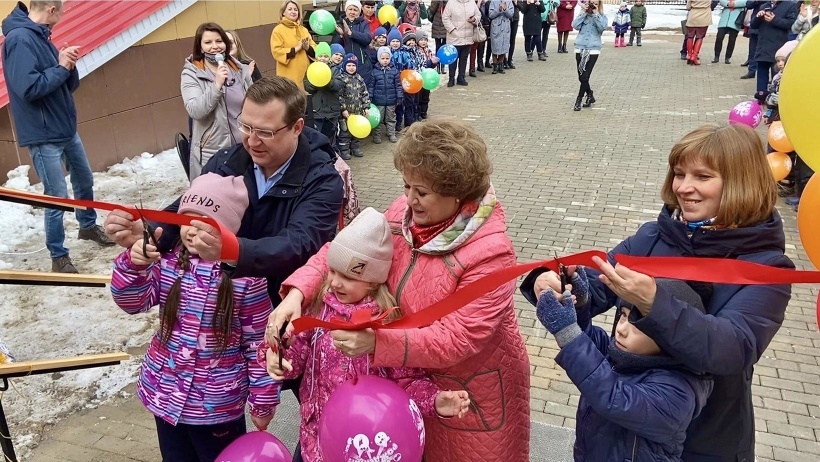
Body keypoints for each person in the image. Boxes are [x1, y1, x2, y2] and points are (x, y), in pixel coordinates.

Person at [522, 123, 794, 461]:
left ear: (741, 180)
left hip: (706, 438)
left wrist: (653, 304)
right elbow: (597, 281)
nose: (684, 187)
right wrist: (554, 282)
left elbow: (732, 347)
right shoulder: (654, 237)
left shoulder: (766, 265)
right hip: (622, 430)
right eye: (679, 174)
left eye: (703, 176)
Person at [268, 119, 531, 462]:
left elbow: (458, 337)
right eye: (406, 186)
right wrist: (298, 293)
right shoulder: (402, 213)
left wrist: (379, 344)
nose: (409, 199)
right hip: (405, 381)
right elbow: (348, 252)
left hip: (466, 392)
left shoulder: (491, 252)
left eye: (421, 192)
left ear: (457, 193)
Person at [104, 76, 344, 318]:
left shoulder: (322, 179)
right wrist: (147, 229)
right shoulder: (227, 160)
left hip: (284, 310)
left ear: (297, 128)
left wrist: (233, 250)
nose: (252, 140)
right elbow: (187, 210)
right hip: (221, 313)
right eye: (246, 127)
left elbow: (300, 245)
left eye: (265, 132)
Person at [260, 208, 471, 462]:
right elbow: (295, 359)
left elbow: (407, 383)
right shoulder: (317, 309)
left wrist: (436, 401)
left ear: (373, 281)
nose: (336, 283)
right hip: (316, 436)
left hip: (366, 446)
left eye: (348, 276)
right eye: (333, 271)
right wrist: (277, 356)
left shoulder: (386, 323)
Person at [110, 173, 279, 461]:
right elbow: (133, 302)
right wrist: (132, 266)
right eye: (187, 219)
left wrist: (263, 401)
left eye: (205, 223)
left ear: (228, 229)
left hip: (217, 406)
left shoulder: (246, 278)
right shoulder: (167, 263)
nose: (191, 230)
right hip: (165, 396)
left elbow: (259, 344)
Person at [533, 278, 713, 461]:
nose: (621, 329)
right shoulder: (626, 355)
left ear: (673, 336)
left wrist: (568, 333)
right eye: (624, 315)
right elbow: (589, 348)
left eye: (637, 324)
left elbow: (614, 398)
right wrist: (579, 305)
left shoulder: (679, 392)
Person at [1, 0, 114, 274]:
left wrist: (68, 65)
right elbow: (29, 88)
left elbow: (58, 82)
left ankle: (87, 226)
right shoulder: (19, 39)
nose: (63, 15)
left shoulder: (41, 36)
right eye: (62, 10)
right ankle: (58, 255)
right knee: (57, 196)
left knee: (84, 178)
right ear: (52, 9)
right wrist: (61, 67)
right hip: (42, 134)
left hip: (63, 127)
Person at [183, 23, 253, 180]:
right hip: (214, 154)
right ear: (200, 47)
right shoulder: (192, 73)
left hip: (245, 148)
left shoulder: (238, 68)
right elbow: (195, 110)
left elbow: (254, 101)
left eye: (219, 41)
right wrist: (217, 85)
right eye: (208, 42)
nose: (215, 46)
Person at [751, 0, 799, 100]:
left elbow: (791, 24)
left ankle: (775, 100)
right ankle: (761, 98)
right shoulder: (764, 5)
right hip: (762, 47)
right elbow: (753, 25)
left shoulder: (790, 5)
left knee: (776, 76)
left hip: (778, 48)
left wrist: (774, 19)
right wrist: (757, 17)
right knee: (761, 76)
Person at [304, 46, 344, 152]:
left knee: (330, 137)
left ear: (329, 58)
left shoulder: (334, 70)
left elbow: (338, 85)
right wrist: (317, 82)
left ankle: (332, 156)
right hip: (317, 111)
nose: (323, 58)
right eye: (320, 56)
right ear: (317, 58)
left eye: (325, 56)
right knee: (317, 137)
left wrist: (327, 80)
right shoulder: (311, 69)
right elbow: (307, 86)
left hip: (331, 112)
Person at [270, 1, 316, 92]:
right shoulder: (278, 30)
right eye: (290, 9)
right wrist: (296, 48)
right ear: (283, 12)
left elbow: (314, 47)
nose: (293, 12)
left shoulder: (303, 30)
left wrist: (307, 48)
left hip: (305, 76)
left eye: (296, 9)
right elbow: (277, 51)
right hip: (288, 77)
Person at [572, 0, 607, 111]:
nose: (593, 6)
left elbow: (602, 28)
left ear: (599, 5)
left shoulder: (602, 17)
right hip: (580, 47)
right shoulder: (583, 15)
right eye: (592, 4)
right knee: (581, 76)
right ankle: (590, 95)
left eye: (596, 4)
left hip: (593, 49)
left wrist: (596, 14)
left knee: (585, 76)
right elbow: (575, 25)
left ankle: (579, 99)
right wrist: (584, 12)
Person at [333, 0, 374, 85]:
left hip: (362, 64)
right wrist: (341, 35)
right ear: (346, 10)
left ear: (359, 12)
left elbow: (367, 38)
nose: (352, 12)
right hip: (345, 65)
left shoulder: (364, 24)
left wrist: (351, 33)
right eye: (350, 9)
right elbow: (334, 45)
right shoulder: (339, 24)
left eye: (355, 10)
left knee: (362, 93)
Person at [338, 54, 371, 159]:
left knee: (356, 133)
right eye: (349, 65)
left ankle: (355, 148)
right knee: (345, 134)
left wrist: (366, 107)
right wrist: (343, 109)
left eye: (353, 65)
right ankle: (344, 151)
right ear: (345, 66)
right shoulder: (342, 79)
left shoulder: (359, 78)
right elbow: (339, 96)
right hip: (347, 113)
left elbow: (364, 93)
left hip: (358, 112)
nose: (351, 68)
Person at [368, 46, 402, 144]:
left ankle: (391, 133)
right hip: (379, 100)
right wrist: (370, 97)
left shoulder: (394, 71)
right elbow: (371, 86)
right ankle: (377, 135)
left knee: (391, 118)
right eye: (383, 58)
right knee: (378, 119)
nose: (385, 60)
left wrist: (399, 97)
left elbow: (398, 85)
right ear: (379, 58)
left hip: (391, 100)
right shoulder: (375, 72)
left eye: (387, 58)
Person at [442, 0, 481, 87]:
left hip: (468, 35)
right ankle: (451, 78)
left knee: (464, 58)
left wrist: (474, 19)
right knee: (453, 58)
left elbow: (478, 15)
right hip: (454, 36)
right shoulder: (451, 2)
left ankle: (461, 77)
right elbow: (445, 17)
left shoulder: (471, 2)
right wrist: (452, 29)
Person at [488, 0, 515, 73]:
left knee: (504, 45)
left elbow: (511, 14)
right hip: (496, 26)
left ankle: (501, 64)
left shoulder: (509, 2)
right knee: (495, 46)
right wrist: (499, 9)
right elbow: (490, 15)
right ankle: (495, 65)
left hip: (505, 26)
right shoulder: (493, 1)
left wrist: (505, 9)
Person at [684, 0, 713, 65]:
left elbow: (688, 7)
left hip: (693, 16)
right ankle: (694, 56)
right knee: (700, 37)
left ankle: (689, 55)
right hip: (704, 16)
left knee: (690, 36)